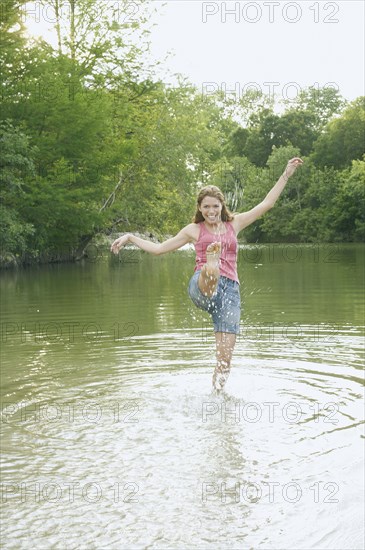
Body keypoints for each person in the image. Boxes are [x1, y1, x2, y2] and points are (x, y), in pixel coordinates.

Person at [111, 157, 303, 393]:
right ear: (200, 209)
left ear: (222, 206)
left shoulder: (235, 223)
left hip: (230, 293)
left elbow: (267, 204)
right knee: (210, 270)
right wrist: (130, 237)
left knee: (225, 359)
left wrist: (286, 174)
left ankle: (216, 397)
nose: (211, 211)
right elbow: (159, 249)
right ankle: (212, 262)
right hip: (201, 287)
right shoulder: (193, 230)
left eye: (215, 206)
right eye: (206, 207)